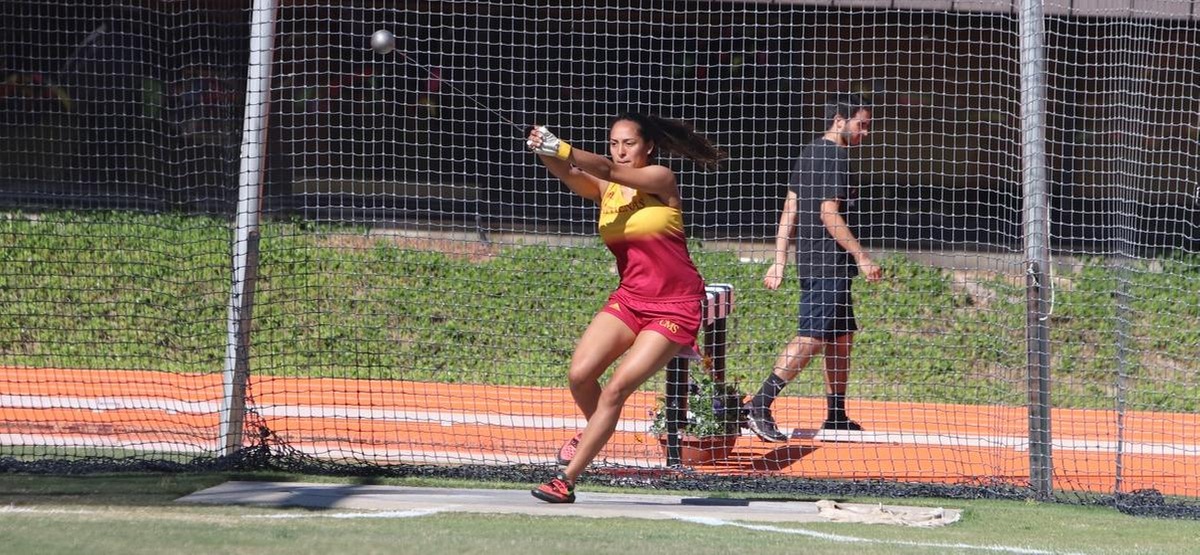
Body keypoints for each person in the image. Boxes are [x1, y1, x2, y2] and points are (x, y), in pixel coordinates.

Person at [525, 114, 725, 503]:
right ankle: (597, 429)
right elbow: (571, 174)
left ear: (647, 146)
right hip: (630, 298)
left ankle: (565, 480)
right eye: (614, 143)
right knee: (580, 375)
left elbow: (599, 166)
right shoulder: (607, 190)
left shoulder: (660, 178)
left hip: (675, 305)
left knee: (616, 389)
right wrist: (543, 149)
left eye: (629, 143)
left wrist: (561, 146)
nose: (620, 150)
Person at [743, 94, 882, 443]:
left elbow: (789, 209)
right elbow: (828, 213)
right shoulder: (835, 158)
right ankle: (760, 404)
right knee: (810, 338)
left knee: (840, 337)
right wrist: (862, 257)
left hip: (812, 262)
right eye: (861, 125)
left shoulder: (808, 153)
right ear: (840, 120)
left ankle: (836, 413)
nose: (865, 133)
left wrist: (779, 261)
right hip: (828, 264)